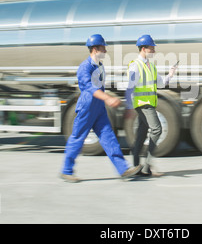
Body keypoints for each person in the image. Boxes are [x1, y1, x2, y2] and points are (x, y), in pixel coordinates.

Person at [61, 34, 142, 182]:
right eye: (103, 47)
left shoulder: (100, 66)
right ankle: (66, 171)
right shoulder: (84, 67)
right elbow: (90, 88)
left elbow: (101, 87)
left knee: (108, 137)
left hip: (99, 108)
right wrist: (108, 98)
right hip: (87, 107)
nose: (105, 50)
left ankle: (123, 169)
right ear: (95, 48)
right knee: (78, 138)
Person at [124, 34, 177, 177]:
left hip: (149, 104)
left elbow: (160, 84)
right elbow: (130, 87)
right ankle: (146, 167)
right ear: (143, 48)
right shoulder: (135, 65)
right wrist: (129, 106)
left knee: (142, 134)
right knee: (157, 129)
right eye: (151, 47)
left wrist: (170, 74)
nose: (154, 50)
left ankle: (136, 166)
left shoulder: (151, 66)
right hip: (143, 105)